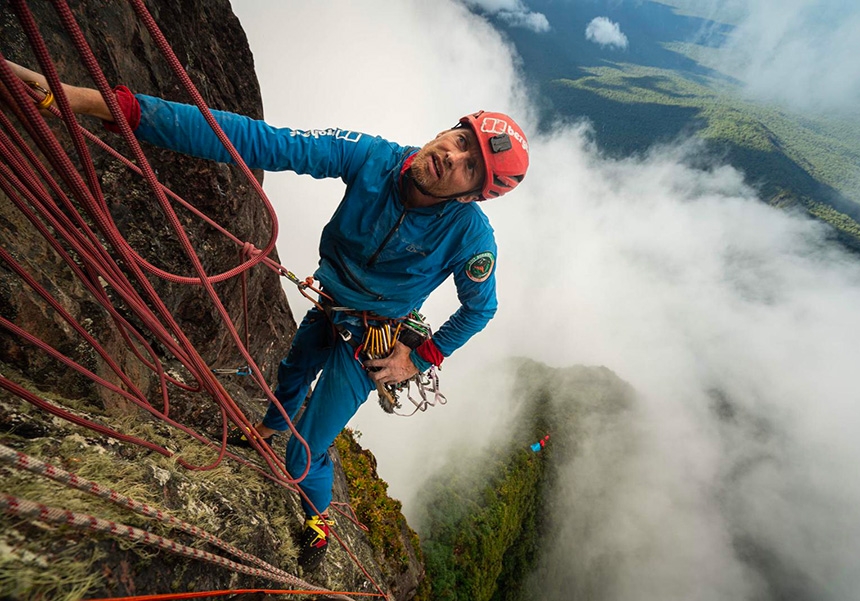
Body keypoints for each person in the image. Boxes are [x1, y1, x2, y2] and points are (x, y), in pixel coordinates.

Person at [6, 60, 529, 571]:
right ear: (449, 129)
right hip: (330, 304)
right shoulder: (371, 157)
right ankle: (264, 431)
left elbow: (480, 308)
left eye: (470, 168)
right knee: (290, 374)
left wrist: (418, 358)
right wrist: (82, 101)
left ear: (470, 195)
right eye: (462, 141)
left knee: (304, 453)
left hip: (371, 339)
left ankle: (318, 515)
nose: (451, 156)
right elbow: (255, 139)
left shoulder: (470, 237)